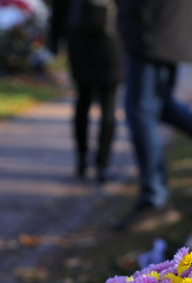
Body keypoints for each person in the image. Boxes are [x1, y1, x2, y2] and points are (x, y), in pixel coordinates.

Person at [114, 0, 192, 233]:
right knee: (161, 106)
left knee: (141, 113)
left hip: (152, 29)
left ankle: (155, 200)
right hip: (161, 27)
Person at [49, 0, 124, 183]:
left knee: (83, 99)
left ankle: (82, 160)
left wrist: (54, 40)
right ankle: (103, 164)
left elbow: (59, 7)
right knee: (108, 103)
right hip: (112, 40)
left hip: (79, 39)